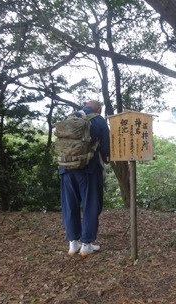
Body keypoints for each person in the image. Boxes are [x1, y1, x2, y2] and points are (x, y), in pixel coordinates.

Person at [59, 100, 110, 257]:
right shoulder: (98, 120)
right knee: (90, 205)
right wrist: (105, 159)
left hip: (65, 169)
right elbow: (107, 147)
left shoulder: (69, 118)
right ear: (99, 109)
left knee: (70, 205)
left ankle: (73, 244)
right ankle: (86, 244)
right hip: (88, 170)